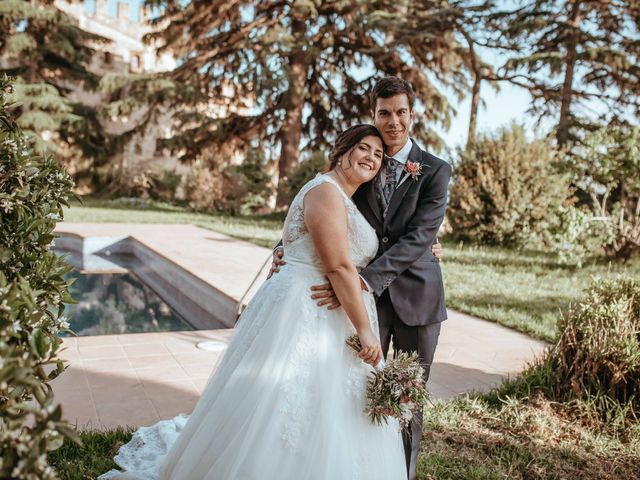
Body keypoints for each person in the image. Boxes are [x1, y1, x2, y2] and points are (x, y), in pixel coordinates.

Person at [98, 124, 407, 480]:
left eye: (378, 154)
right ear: (342, 150)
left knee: (325, 406)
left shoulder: (342, 197)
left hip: (325, 308)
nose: (371, 157)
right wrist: (365, 331)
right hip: (308, 307)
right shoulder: (326, 192)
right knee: (283, 403)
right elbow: (337, 265)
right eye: (364, 148)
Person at [271, 76, 452, 480]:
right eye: (384, 113)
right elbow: (324, 207)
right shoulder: (362, 162)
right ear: (374, 114)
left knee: (406, 398)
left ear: (411, 114)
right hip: (360, 303)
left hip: (413, 300)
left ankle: (401, 473)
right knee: (356, 390)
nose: (393, 121)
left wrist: (361, 281)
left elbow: (420, 237)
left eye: (400, 112)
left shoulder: (436, 170)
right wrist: (283, 247)